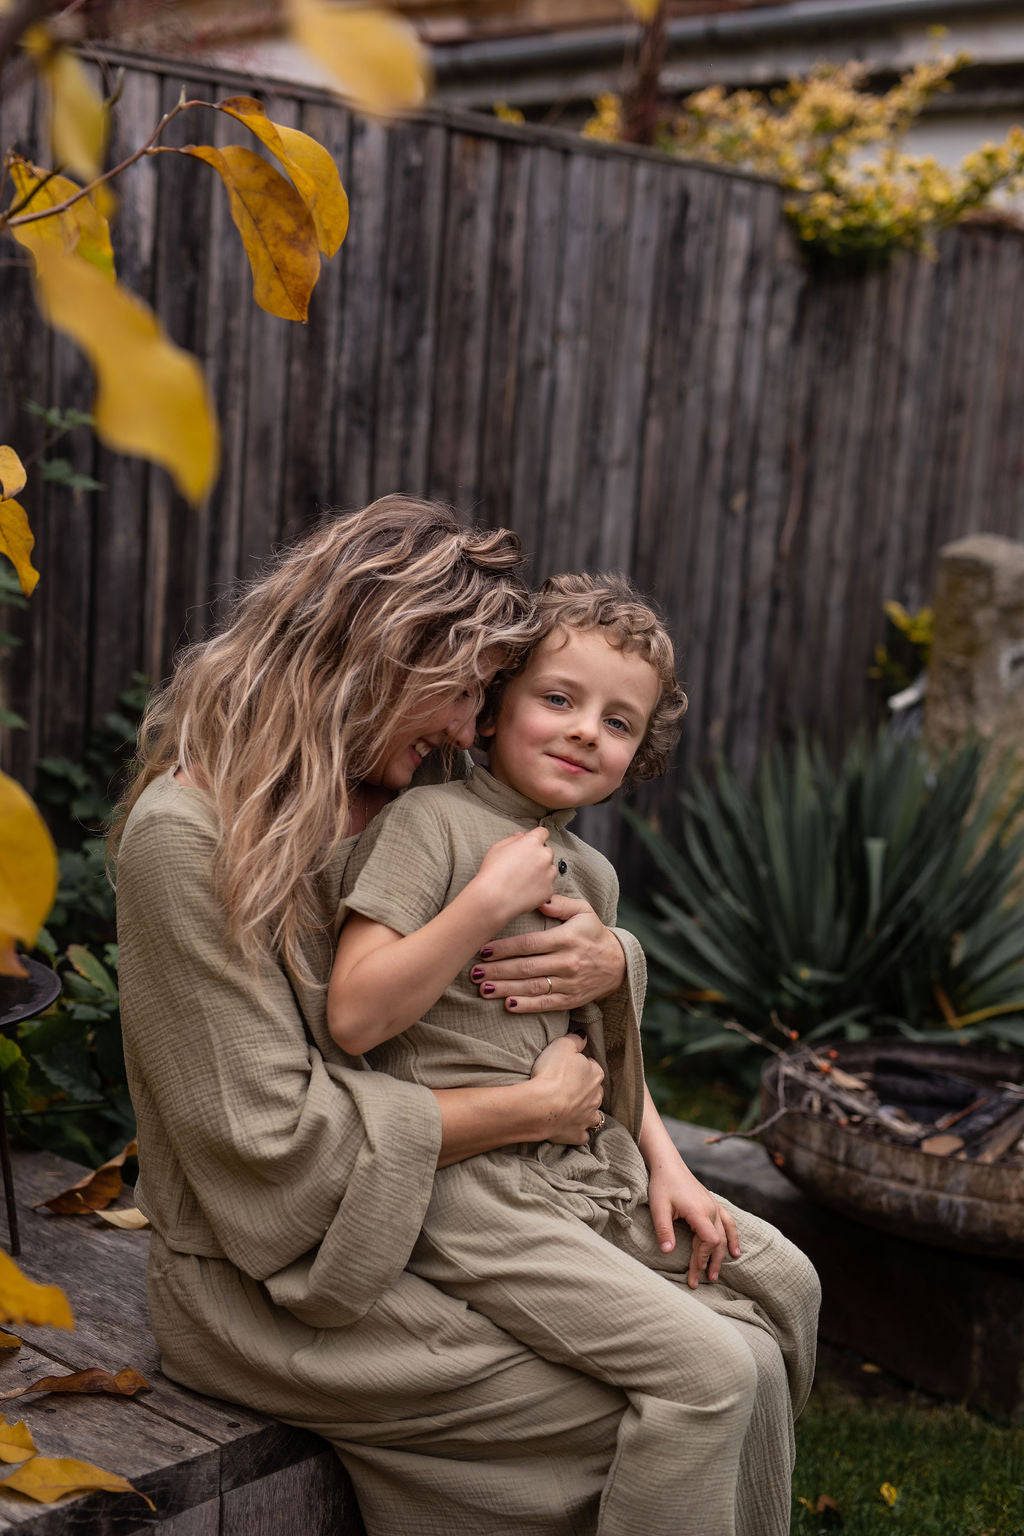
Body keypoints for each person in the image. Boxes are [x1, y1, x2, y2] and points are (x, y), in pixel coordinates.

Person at [328, 574, 820, 1536]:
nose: (587, 731)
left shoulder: (591, 873)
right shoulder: (427, 826)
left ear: (639, 755)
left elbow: (600, 1048)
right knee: (715, 1367)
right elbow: (352, 1016)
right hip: (464, 1190)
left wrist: (673, 1170)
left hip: (576, 1169)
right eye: (559, 700)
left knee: (789, 1285)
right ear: (492, 710)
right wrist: (479, 901)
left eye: (619, 722)